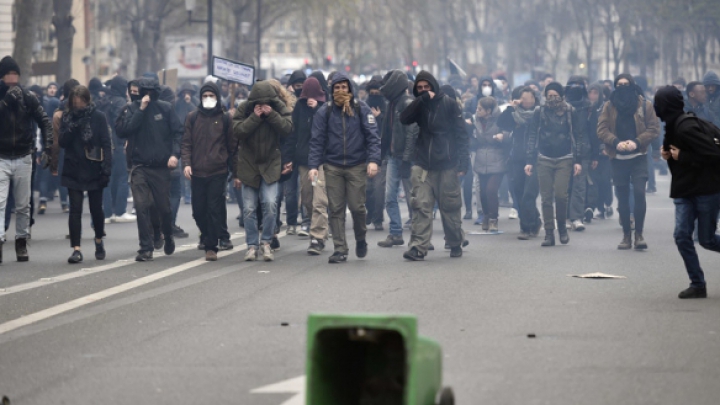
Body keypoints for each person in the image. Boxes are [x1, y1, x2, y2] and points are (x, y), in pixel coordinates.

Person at [307, 73, 381, 264]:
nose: (340, 90)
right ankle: (340, 249)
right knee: (336, 209)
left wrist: (373, 160)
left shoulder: (361, 109)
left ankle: (360, 238)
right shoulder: (325, 111)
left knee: (357, 208)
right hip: (333, 166)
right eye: (337, 87)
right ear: (332, 90)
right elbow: (316, 141)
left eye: (343, 87)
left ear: (350, 88)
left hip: (357, 166)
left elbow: (373, 137)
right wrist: (313, 166)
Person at [654, 85, 720, 299]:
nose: (656, 107)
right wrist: (667, 154)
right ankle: (698, 284)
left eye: (658, 102)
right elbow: (674, 151)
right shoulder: (673, 125)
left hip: (705, 190)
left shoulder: (685, 126)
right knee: (682, 236)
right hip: (684, 190)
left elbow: (713, 154)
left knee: (707, 240)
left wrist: (681, 156)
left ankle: (697, 283)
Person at [400, 71, 469, 260]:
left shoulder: (449, 104)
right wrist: (420, 100)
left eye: (426, 87)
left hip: (447, 164)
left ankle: (455, 242)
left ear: (433, 86)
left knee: (450, 207)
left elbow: (462, 134)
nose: (423, 90)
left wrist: (464, 162)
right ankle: (418, 248)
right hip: (423, 164)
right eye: (419, 88)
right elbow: (404, 118)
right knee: (421, 206)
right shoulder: (419, 105)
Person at [115, 78, 182, 261]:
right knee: (141, 206)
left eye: (152, 92)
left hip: (161, 167)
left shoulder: (165, 108)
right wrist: (141, 110)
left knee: (164, 208)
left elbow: (178, 132)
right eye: (145, 92)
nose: (148, 96)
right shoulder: (131, 109)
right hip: (139, 166)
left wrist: (175, 154)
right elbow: (123, 130)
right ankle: (145, 247)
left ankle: (167, 235)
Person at [597, 74, 660, 250]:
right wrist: (616, 142)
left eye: (626, 84)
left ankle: (639, 234)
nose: (623, 87)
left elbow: (654, 128)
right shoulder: (609, 106)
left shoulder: (644, 105)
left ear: (633, 85)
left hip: (638, 156)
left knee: (639, 192)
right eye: (619, 84)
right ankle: (626, 235)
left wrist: (637, 142)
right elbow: (601, 129)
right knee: (623, 197)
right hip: (617, 158)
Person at [233, 80, 293, 262]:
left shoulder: (279, 107)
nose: (262, 105)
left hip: (270, 163)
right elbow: (237, 131)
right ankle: (252, 245)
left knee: (270, 204)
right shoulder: (244, 109)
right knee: (249, 209)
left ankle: (266, 241)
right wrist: (255, 117)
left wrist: (272, 114)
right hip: (248, 164)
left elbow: (288, 128)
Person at [0, 56, 53, 262]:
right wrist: (6, 102)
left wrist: (47, 148)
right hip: (1, 156)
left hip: (23, 155)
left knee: (23, 205)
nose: (12, 80)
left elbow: (44, 121)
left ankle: (21, 241)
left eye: (15, 75)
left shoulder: (28, 96)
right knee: (1, 202)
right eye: (8, 75)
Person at [525, 82, 583, 247]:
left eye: (555, 96)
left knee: (561, 195)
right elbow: (532, 136)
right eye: (549, 95)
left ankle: (562, 228)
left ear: (562, 96)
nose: (552, 99)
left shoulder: (570, 111)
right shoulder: (539, 111)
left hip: (565, 158)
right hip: (543, 158)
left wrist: (578, 160)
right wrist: (529, 160)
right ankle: (549, 232)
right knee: (546, 198)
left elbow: (577, 136)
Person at [58, 85, 112, 263]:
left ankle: (98, 240)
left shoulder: (98, 117)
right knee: (75, 210)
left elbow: (106, 143)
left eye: (81, 103)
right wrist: (73, 127)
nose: (78, 106)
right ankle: (76, 249)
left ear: (87, 101)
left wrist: (106, 170)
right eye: (75, 103)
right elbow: (63, 142)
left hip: (94, 168)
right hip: (73, 168)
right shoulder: (68, 116)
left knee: (96, 209)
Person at [182, 82, 233, 262]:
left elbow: (231, 145)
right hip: (197, 172)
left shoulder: (225, 118)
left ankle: (211, 246)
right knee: (198, 210)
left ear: (217, 97)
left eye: (211, 96)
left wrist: (232, 169)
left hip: (217, 171)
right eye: (205, 96)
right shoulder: (192, 118)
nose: (208, 99)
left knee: (214, 209)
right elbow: (186, 142)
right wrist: (187, 163)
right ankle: (206, 234)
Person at [283, 77, 329, 255]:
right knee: (308, 199)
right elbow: (292, 135)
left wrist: (316, 109)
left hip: (321, 162)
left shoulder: (325, 109)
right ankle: (315, 225)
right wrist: (288, 158)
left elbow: (328, 130)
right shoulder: (299, 109)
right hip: (304, 161)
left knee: (319, 200)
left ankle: (317, 237)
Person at [377, 70, 418, 248]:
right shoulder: (392, 105)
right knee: (390, 197)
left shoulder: (407, 104)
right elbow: (387, 133)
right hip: (393, 156)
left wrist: (407, 159)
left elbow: (412, 133)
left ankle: (418, 235)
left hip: (406, 157)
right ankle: (395, 233)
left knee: (413, 198)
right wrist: (380, 155)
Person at [498, 86, 542, 240]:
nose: (525, 101)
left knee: (529, 194)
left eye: (528, 97)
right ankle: (534, 220)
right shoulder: (514, 113)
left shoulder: (540, 112)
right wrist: (511, 107)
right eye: (522, 98)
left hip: (536, 159)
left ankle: (526, 227)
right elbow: (501, 123)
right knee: (518, 192)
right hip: (517, 158)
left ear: (534, 98)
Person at [101, 75, 136, 224]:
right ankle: (120, 211)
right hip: (119, 145)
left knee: (108, 180)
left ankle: (107, 213)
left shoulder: (105, 101)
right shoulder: (121, 103)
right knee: (122, 178)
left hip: (105, 145)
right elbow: (122, 125)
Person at [565, 76, 597, 231]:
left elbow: (593, 132)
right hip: (563, 150)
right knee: (565, 185)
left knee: (579, 185)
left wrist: (595, 154)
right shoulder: (561, 106)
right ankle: (564, 216)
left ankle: (576, 217)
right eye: (572, 85)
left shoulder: (589, 107)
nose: (575, 87)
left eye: (579, 85)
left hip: (584, 150)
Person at [472, 96, 508, 233]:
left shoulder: (500, 119)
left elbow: (510, 133)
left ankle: (493, 219)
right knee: (482, 192)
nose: (477, 111)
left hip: (497, 158)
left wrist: (503, 136)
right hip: (481, 158)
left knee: (491, 190)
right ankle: (486, 215)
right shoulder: (476, 120)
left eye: (480, 109)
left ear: (488, 110)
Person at [365, 76, 387, 231]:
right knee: (366, 189)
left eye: (377, 93)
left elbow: (391, 129)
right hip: (365, 154)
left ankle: (378, 218)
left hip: (382, 153)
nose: (374, 96)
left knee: (379, 189)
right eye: (372, 93)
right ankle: (370, 211)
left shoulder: (386, 107)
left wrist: (380, 118)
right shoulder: (364, 107)